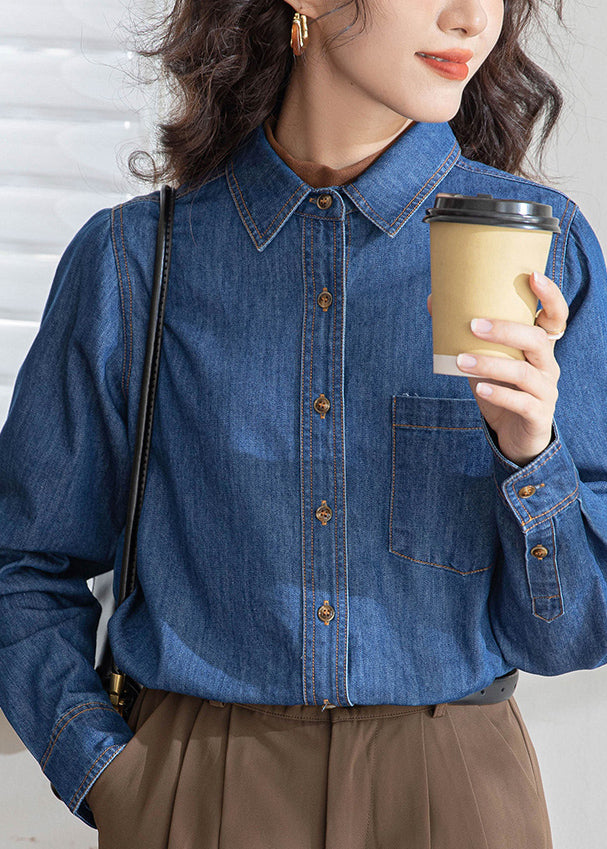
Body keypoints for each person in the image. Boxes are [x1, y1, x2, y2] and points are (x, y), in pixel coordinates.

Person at [1, 0, 606, 847]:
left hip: (457, 789)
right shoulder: (135, 261)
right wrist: (112, 774)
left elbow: (576, 631)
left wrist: (529, 453)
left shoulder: (543, 249)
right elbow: (21, 562)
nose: (473, 18)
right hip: (198, 789)